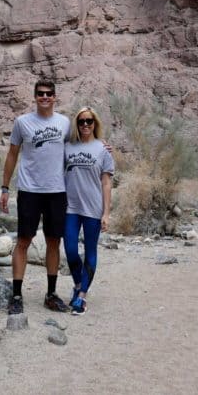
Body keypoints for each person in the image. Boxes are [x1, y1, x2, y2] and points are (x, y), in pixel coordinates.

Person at [0, 79, 71, 314]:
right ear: (35, 96)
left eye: (49, 93)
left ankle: (51, 294)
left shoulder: (64, 123)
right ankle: (17, 296)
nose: (45, 97)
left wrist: (102, 148)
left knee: (53, 241)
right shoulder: (22, 123)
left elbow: (75, 150)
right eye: (40, 93)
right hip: (30, 191)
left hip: (57, 191)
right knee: (23, 241)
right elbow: (12, 155)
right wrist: (4, 188)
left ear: (55, 96)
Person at [63, 106, 114, 316]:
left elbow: (107, 183)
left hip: (93, 208)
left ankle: (82, 296)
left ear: (95, 124)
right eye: (81, 121)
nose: (85, 125)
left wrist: (106, 213)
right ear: (77, 123)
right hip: (70, 208)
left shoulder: (103, 150)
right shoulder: (67, 147)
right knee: (71, 250)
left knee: (90, 251)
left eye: (89, 121)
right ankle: (77, 285)